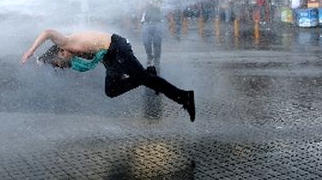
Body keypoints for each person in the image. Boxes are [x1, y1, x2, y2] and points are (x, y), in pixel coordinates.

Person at [20, 29, 195, 121]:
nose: (63, 68)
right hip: (109, 56)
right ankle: (146, 74)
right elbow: (48, 58)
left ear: (61, 51)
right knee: (111, 90)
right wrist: (39, 61)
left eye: (59, 64)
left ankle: (184, 97)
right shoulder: (66, 52)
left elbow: (48, 32)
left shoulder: (66, 42)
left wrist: (30, 50)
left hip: (117, 47)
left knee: (144, 79)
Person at [140, 0, 164, 71]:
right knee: (146, 42)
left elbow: (160, 6)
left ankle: (157, 60)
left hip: (157, 23)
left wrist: (153, 3)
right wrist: (146, 2)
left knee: (157, 43)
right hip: (147, 23)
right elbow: (140, 7)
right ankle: (149, 56)